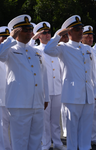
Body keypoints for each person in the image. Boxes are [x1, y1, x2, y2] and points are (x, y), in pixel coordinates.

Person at [0, 14, 50, 150]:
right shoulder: (10, 50)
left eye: (30, 29)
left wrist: (46, 97)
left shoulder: (35, 52)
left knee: (36, 141)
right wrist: (11, 37)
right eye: (25, 30)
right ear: (17, 32)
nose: (30, 33)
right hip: (19, 104)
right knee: (20, 142)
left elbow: (43, 76)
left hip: (37, 102)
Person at [44, 15, 96, 150]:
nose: (81, 31)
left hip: (87, 94)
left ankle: (85, 147)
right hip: (73, 95)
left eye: (82, 29)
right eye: (77, 29)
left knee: (86, 128)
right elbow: (48, 50)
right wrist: (58, 35)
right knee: (72, 130)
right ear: (69, 32)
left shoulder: (87, 49)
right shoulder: (63, 47)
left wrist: (94, 91)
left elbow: (92, 73)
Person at [30, 21, 66, 150]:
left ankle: (57, 142)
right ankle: (45, 143)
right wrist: (33, 38)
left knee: (55, 120)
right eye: (44, 33)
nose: (47, 35)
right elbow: (26, 47)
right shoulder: (35, 49)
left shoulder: (56, 48)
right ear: (38, 36)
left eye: (49, 32)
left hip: (57, 88)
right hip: (44, 90)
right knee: (44, 121)